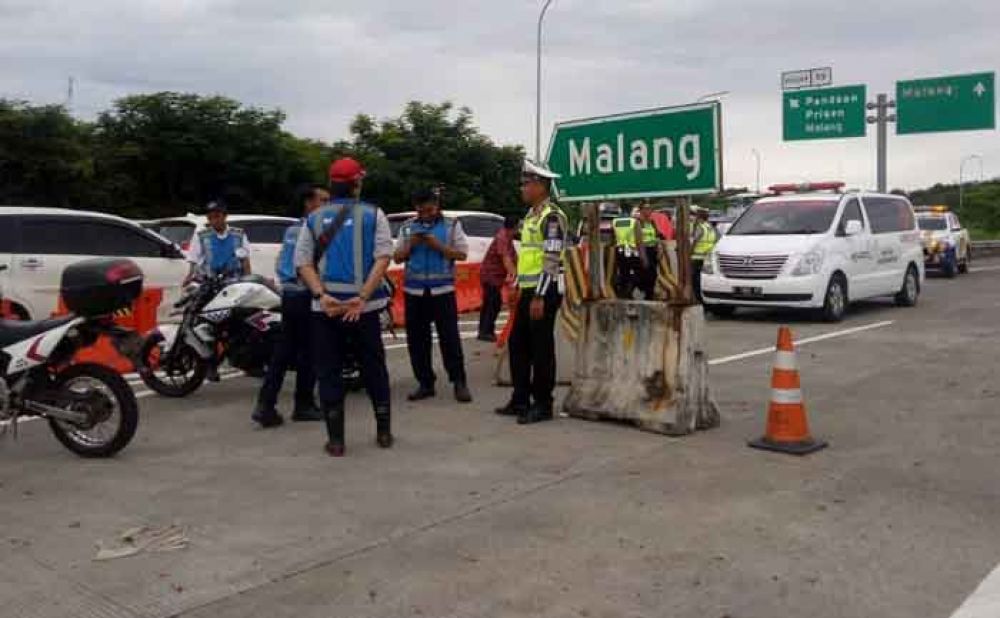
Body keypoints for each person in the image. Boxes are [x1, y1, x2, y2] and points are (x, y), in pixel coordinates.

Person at [296, 158, 394, 457]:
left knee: (329, 372)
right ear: (356, 183)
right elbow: (383, 257)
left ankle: (336, 440)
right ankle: (383, 432)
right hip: (363, 308)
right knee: (373, 368)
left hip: (326, 310)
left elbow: (302, 262)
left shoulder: (313, 219)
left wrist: (321, 295)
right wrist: (363, 297)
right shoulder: (374, 214)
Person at [495, 160, 567, 425]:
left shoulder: (552, 217)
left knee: (541, 349)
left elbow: (551, 257)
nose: (522, 188)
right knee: (518, 347)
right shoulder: (531, 216)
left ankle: (543, 404)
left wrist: (538, 295)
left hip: (543, 292)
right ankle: (520, 398)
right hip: (526, 289)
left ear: (540, 186)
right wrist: (517, 287)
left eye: (526, 184)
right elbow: (527, 256)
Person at [251, 185, 328, 428]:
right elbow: (305, 266)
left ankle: (266, 404)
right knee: (309, 352)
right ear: (309, 203)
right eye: (323, 200)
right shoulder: (312, 230)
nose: (328, 205)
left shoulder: (292, 229)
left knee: (283, 353)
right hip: (306, 295)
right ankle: (303, 405)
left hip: (290, 296)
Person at [393, 188, 473, 404]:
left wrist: (436, 245)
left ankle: (459, 381)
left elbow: (462, 253)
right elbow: (398, 258)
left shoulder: (451, 225)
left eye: (429, 210)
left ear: (437, 206)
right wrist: (412, 244)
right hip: (414, 291)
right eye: (420, 210)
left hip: (442, 291)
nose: (425, 214)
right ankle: (425, 383)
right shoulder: (408, 227)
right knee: (417, 340)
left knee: (449, 338)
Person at [184, 200, 251, 381]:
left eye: (218, 216)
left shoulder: (238, 235)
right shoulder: (202, 236)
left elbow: (245, 261)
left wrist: (247, 280)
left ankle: (246, 361)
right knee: (210, 326)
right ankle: (211, 366)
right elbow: (194, 260)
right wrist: (189, 277)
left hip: (233, 287)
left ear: (225, 216)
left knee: (238, 323)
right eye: (211, 217)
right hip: (210, 287)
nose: (214, 220)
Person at [477, 216, 517, 342]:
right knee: (493, 303)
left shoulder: (508, 238)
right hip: (490, 275)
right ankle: (486, 331)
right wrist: (514, 275)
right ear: (514, 227)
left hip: (495, 276)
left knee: (489, 303)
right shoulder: (502, 237)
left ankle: (484, 330)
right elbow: (505, 258)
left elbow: (514, 257)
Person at [690, 205, 718, 304]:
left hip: (696, 257)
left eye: (695, 215)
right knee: (703, 280)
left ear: (699, 217)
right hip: (708, 258)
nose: (694, 217)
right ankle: (704, 300)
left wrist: (689, 253)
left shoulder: (700, 227)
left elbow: (695, 241)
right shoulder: (710, 226)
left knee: (695, 281)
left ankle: (698, 300)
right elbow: (715, 240)